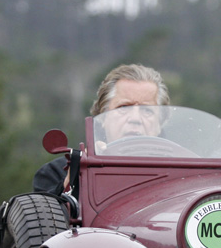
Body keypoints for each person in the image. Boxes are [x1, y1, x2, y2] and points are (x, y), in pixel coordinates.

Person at [33, 64, 170, 194]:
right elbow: (42, 215)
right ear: (102, 116)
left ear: (160, 123)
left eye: (147, 110)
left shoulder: (182, 171)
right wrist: (72, 182)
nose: (135, 118)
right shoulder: (56, 172)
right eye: (123, 107)